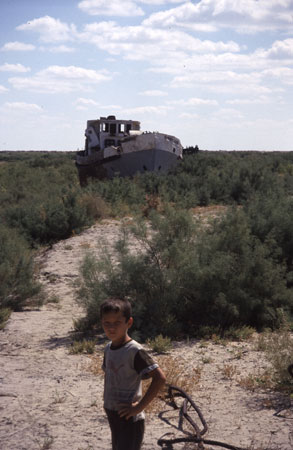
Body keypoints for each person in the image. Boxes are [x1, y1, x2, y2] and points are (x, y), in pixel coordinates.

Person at [100, 298, 166, 450]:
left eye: (117, 322)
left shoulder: (134, 350)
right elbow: (109, 376)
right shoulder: (108, 348)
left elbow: (160, 378)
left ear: (128, 323)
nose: (111, 328)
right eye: (106, 323)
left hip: (130, 418)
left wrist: (138, 407)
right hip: (113, 414)